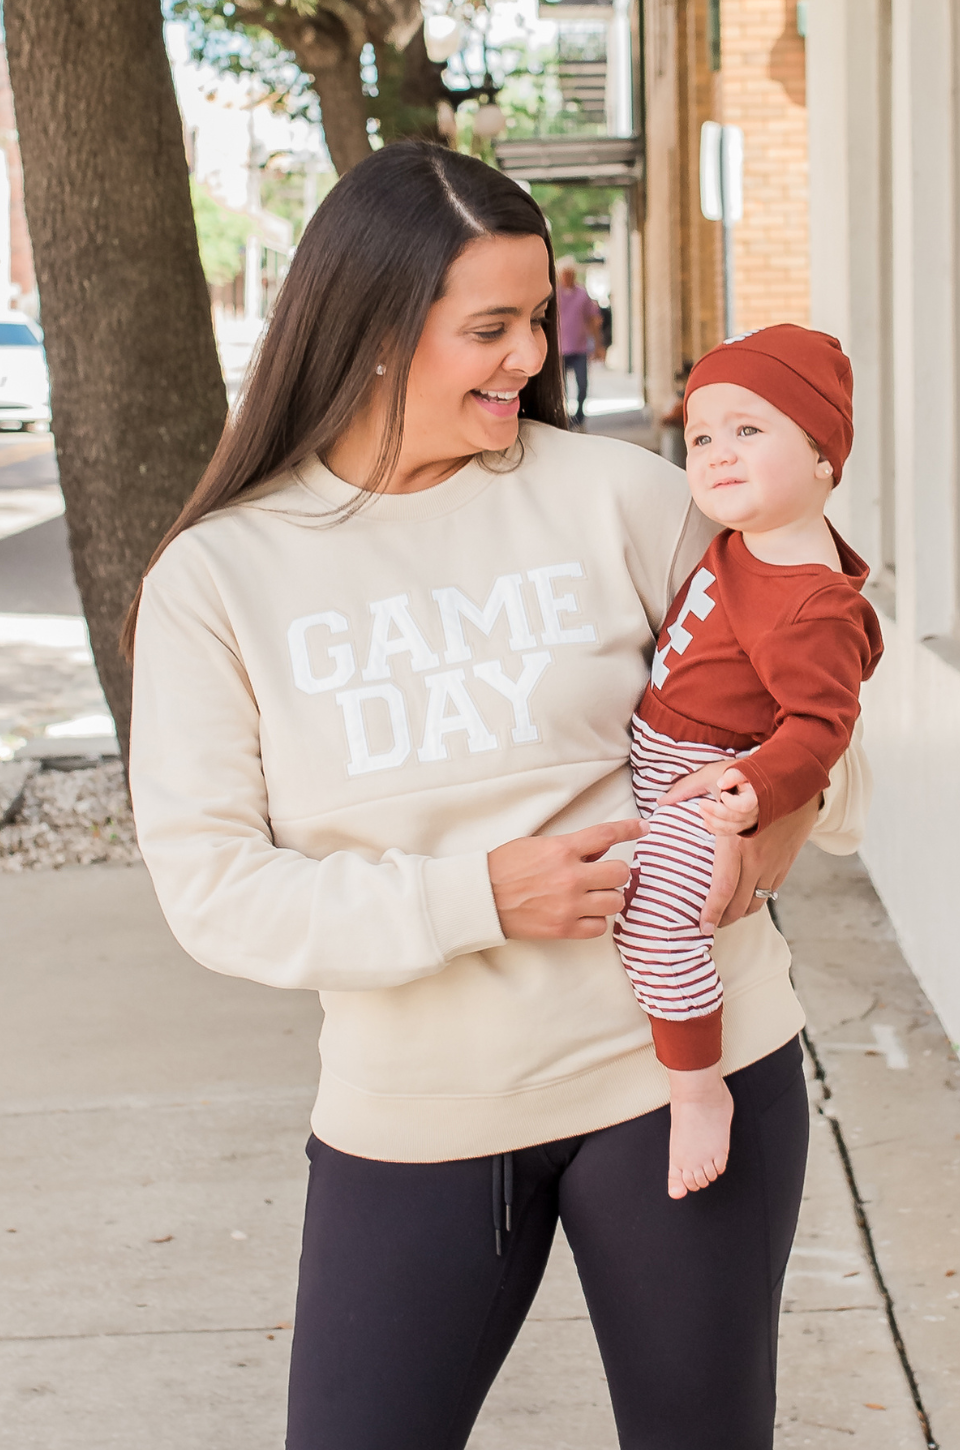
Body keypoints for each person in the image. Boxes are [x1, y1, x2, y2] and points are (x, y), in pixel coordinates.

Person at [126, 144, 869, 1450]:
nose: (531, 354)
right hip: (418, 1108)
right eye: (490, 327)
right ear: (369, 326)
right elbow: (216, 892)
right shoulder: (222, 575)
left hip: (686, 1071)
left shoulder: (621, 497)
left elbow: (815, 713)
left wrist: (770, 829)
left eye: (538, 316)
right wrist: (479, 892)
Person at [613, 325, 883, 1204]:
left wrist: (750, 793)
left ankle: (696, 1088)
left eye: (750, 431)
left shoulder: (810, 602)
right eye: (701, 437)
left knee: (659, 923)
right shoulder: (746, 542)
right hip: (657, 757)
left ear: (822, 460)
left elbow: (821, 726)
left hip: (709, 779)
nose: (718, 455)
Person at [556, 254, 604, 428]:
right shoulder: (554, 294)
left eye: (570, 273)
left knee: (582, 385)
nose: (567, 276)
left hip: (579, 348)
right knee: (562, 390)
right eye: (564, 273)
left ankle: (579, 417)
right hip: (559, 349)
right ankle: (565, 418)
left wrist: (598, 346)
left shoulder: (582, 294)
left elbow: (593, 320)